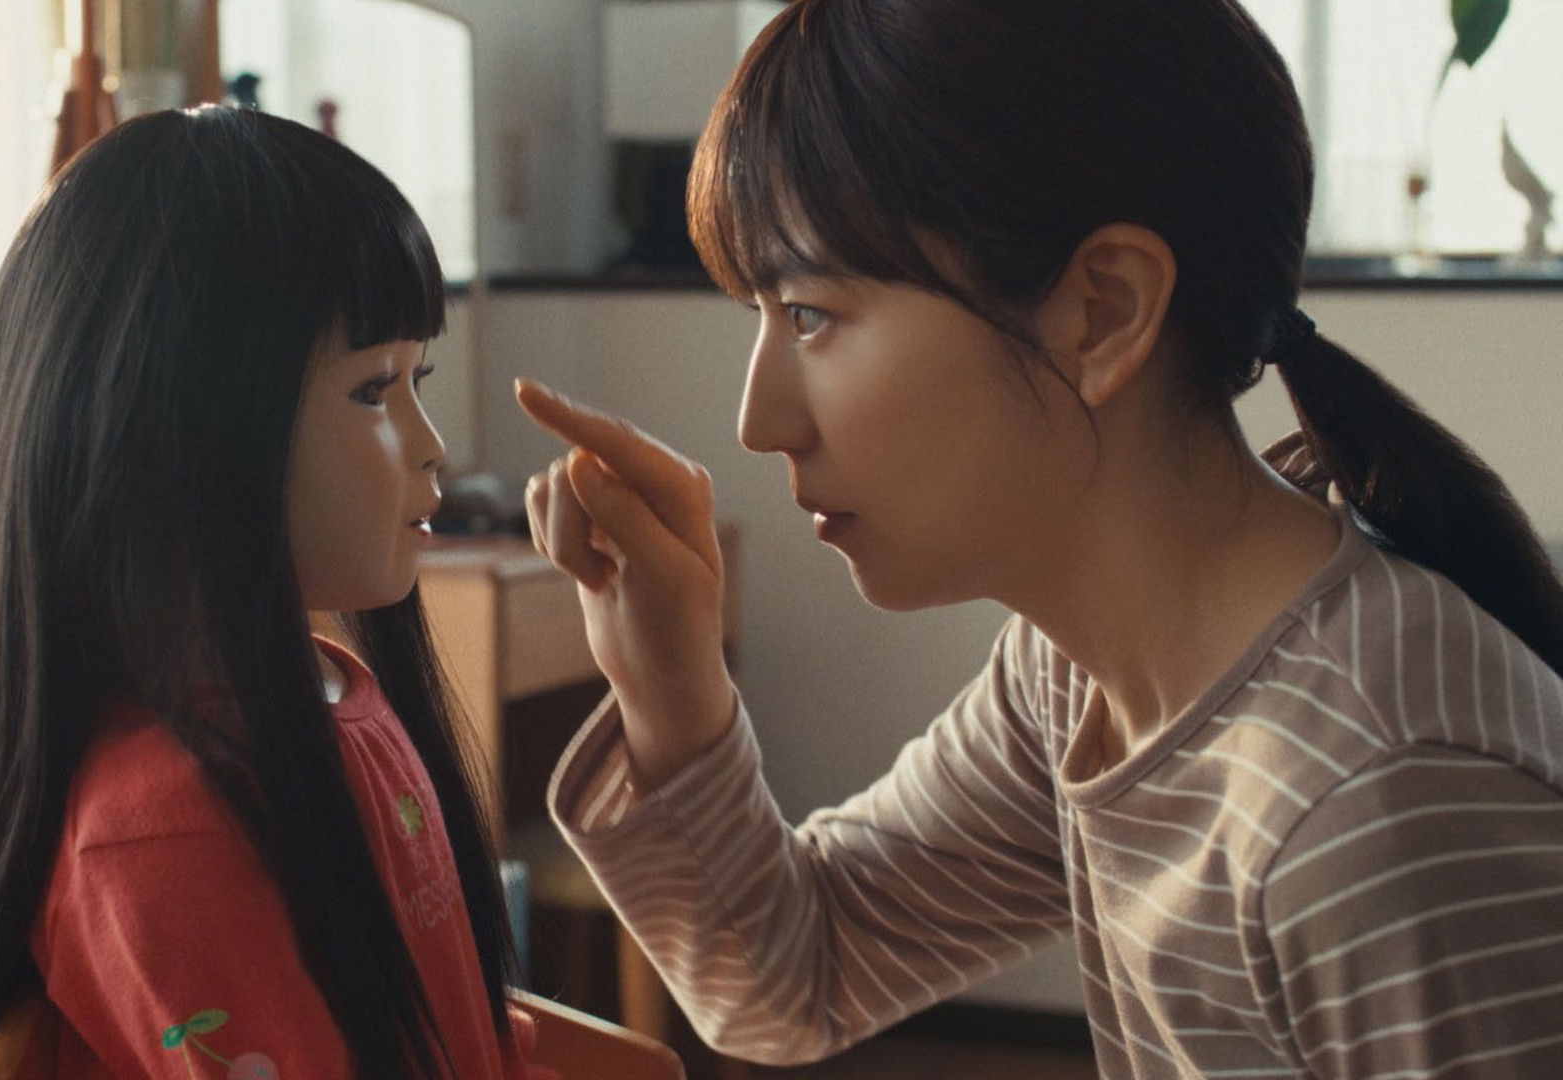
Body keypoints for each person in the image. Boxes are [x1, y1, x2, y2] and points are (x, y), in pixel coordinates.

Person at [514, 1, 1563, 1076]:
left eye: (811, 313)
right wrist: (671, 688)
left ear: (1103, 311)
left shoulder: (1374, 803)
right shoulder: (1080, 677)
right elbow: (796, 975)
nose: (758, 421)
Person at [0, 105, 544, 1080]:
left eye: (418, 378)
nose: (432, 445)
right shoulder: (167, 827)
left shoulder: (332, 692)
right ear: (189, 433)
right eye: (374, 390)